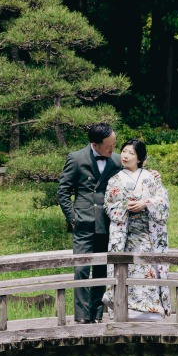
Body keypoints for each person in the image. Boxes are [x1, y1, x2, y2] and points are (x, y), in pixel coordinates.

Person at [57, 122, 122, 323]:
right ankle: (82, 317)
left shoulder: (117, 161)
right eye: (108, 146)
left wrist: (153, 174)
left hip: (107, 222)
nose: (112, 149)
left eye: (114, 144)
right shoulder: (76, 158)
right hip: (83, 223)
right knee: (82, 268)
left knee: (102, 268)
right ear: (95, 144)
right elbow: (63, 191)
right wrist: (72, 218)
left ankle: (96, 314)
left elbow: (136, 173)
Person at [103, 138, 170, 318]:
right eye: (124, 151)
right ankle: (122, 308)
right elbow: (109, 204)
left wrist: (146, 203)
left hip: (146, 234)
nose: (125, 155)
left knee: (147, 270)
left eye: (131, 153)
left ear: (139, 158)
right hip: (124, 235)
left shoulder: (150, 177)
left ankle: (150, 309)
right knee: (124, 269)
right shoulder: (115, 179)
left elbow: (163, 201)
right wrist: (125, 205)